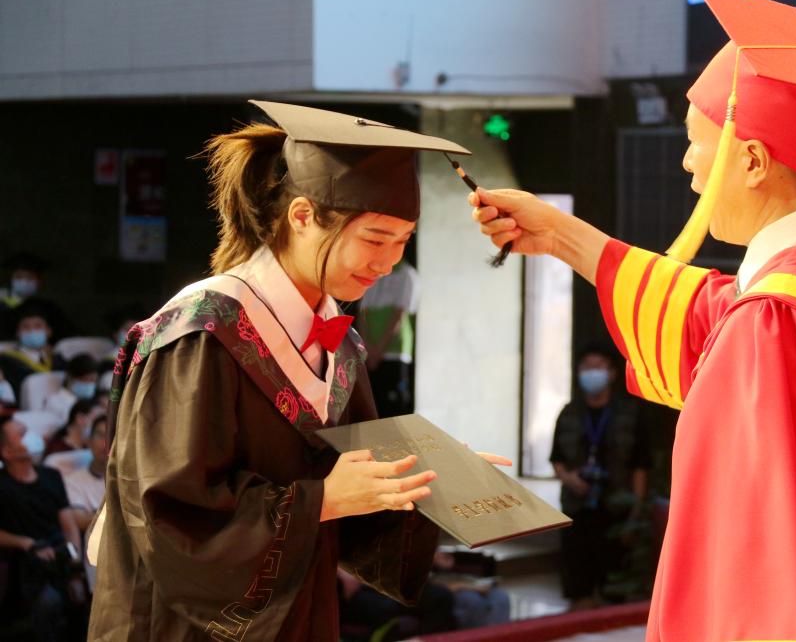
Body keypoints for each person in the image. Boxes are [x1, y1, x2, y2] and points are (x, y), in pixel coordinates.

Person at [470, 0, 796, 642]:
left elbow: (744, 554)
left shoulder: (774, 324)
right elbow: (713, 312)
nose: (688, 166)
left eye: (697, 143)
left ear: (752, 161)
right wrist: (561, 236)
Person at [87, 100, 505, 642]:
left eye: (402, 243)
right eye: (375, 239)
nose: (387, 263)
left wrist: (423, 482)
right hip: (181, 624)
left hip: (299, 610)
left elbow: (352, 492)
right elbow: (170, 509)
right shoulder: (201, 333)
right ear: (302, 216)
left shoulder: (338, 342)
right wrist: (322, 500)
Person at [550, 344, 650, 610]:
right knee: (577, 577)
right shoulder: (569, 412)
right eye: (586, 367)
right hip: (576, 508)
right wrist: (569, 478)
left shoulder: (630, 412)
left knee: (614, 582)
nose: (591, 372)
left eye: (598, 366)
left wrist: (636, 510)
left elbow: (640, 466)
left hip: (617, 507)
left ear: (612, 372)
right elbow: (556, 459)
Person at [0, 416, 86, 641]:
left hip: (61, 556)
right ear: (7, 452)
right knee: (49, 603)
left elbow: (69, 526)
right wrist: (25, 542)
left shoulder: (51, 476)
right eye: (22, 434)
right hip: (25, 566)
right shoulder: (3, 486)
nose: (32, 436)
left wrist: (75, 566)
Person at [358, 258, 420, 416]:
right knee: (372, 407)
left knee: (394, 408)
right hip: (369, 353)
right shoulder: (370, 272)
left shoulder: (407, 274)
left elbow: (399, 315)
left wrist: (378, 350)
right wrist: (367, 349)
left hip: (394, 352)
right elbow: (362, 313)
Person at [0, 302, 57, 402]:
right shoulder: (6, 362)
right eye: (25, 327)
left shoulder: (57, 359)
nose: (32, 331)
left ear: (48, 331)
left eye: (38, 326)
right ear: (17, 333)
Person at [42, 354, 99, 419]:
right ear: (70, 378)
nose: (90, 385)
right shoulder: (54, 402)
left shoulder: (93, 402)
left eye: (93, 381)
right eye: (86, 380)